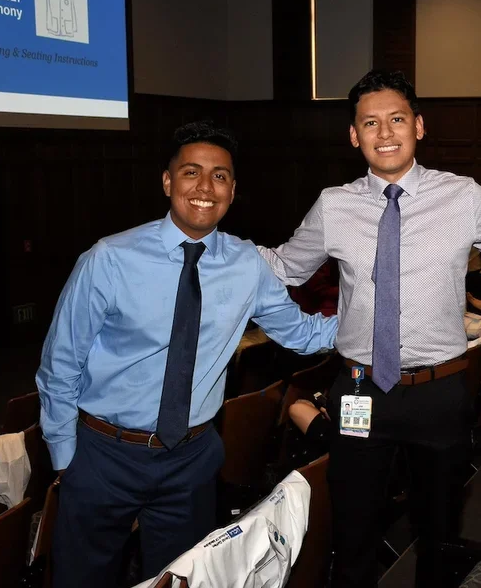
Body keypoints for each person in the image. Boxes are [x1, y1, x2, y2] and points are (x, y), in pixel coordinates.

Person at [258, 69, 481, 587]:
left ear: (419, 126)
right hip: (361, 393)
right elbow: (285, 266)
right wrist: (212, 251)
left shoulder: (463, 197)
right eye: (370, 123)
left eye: (397, 119)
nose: (385, 133)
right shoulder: (334, 205)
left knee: (439, 535)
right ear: (354, 135)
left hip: (439, 392)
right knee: (352, 538)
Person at [36, 120, 338, 588]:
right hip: (103, 455)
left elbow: (300, 333)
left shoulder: (247, 265)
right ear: (167, 181)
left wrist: (378, 325)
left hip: (191, 459)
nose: (205, 187)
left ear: (233, 190)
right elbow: (60, 365)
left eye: (219, 176)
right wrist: (65, 460)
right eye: (191, 172)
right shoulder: (109, 259)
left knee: (181, 580)